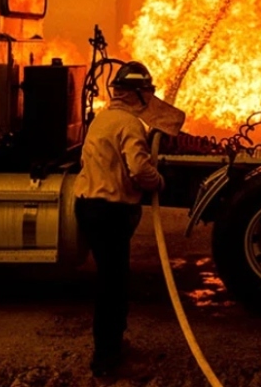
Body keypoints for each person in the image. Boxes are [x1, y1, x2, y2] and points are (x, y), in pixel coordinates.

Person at [74, 60, 172, 377]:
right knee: (113, 286)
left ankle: (112, 347)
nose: (149, 99)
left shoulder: (102, 120)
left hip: (89, 206)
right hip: (109, 212)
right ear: (136, 94)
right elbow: (140, 169)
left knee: (111, 281)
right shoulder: (129, 125)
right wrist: (158, 181)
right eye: (146, 92)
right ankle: (106, 360)